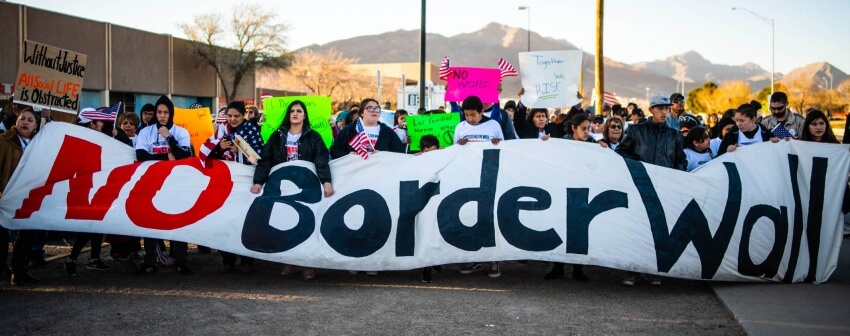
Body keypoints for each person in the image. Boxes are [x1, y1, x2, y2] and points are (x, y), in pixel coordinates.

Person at [253, 100, 333, 280]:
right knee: (285, 222)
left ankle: (307, 265)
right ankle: (288, 261)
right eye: (292, 111)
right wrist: (258, 181)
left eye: (299, 111)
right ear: (288, 115)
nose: (295, 114)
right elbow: (266, 160)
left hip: (306, 186)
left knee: (307, 224)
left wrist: (326, 181)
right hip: (283, 187)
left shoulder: (314, 137)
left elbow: (321, 160)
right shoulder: (277, 136)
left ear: (305, 115)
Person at [615, 94, 687, 286]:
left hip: (664, 189)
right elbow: (621, 152)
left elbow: (681, 160)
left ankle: (653, 270)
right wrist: (638, 168)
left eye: (667, 108)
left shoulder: (674, 134)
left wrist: (675, 175)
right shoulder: (636, 130)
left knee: (659, 230)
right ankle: (632, 270)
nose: (664, 112)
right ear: (651, 110)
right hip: (640, 187)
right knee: (637, 229)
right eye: (660, 108)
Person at [202, 101, 265, 275]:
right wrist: (218, 149)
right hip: (226, 182)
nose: (232, 119)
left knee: (246, 221)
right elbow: (207, 155)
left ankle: (247, 260)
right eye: (229, 116)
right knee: (227, 220)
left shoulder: (251, 130)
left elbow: (259, 157)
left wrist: (240, 148)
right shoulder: (221, 130)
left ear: (243, 116)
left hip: (246, 182)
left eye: (236, 116)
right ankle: (227, 259)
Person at [134, 95, 194, 276]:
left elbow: (184, 157)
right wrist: (166, 158)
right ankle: (150, 260)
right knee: (150, 224)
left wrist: (169, 138)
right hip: (151, 184)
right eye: (159, 112)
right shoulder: (145, 132)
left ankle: (180, 260)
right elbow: (141, 157)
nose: (162, 116)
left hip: (175, 185)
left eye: (165, 112)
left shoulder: (181, 132)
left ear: (171, 114)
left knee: (178, 223)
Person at [453, 96, 503, 278]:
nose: (470, 118)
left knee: (489, 217)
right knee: (469, 216)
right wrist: (459, 146)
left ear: (482, 112)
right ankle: (473, 258)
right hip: (467, 179)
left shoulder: (494, 125)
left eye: (473, 114)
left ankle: (494, 260)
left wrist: (498, 143)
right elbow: (453, 153)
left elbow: (505, 150)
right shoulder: (460, 127)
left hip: (489, 177)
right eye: (466, 115)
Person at [3, 109, 40, 285]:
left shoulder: (38, 144)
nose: (25, 122)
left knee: (26, 236)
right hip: (5, 195)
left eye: (30, 120)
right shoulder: (4, 140)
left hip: (27, 196)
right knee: (2, 235)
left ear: (35, 125)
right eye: (22, 118)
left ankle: (19, 271)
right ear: (15, 121)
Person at [330, 98, 404, 159]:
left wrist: (384, 154)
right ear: (361, 113)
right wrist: (347, 155)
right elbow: (334, 150)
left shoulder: (387, 132)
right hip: (355, 174)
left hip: (380, 174)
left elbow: (400, 152)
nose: (374, 110)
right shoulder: (349, 130)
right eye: (370, 108)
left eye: (377, 108)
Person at [417, 135, 443, 283]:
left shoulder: (444, 158)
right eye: (427, 152)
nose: (431, 154)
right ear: (421, 151)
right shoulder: (417, 161)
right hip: (423, 203)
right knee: (425, 233)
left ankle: (434, 262)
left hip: (439, 201)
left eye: (434, 151)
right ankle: (427, 267)